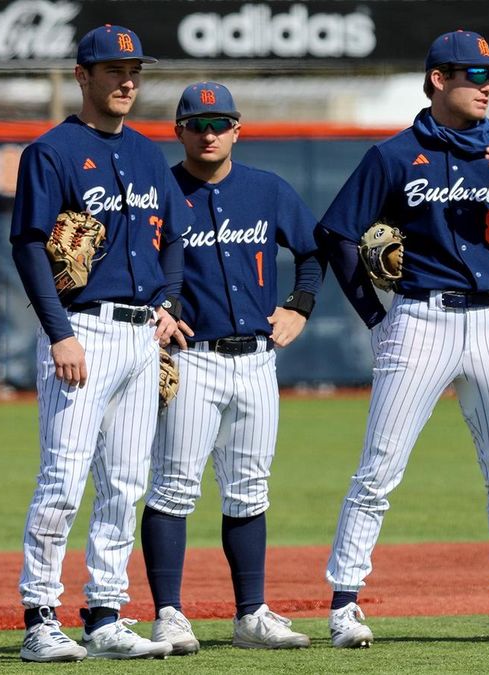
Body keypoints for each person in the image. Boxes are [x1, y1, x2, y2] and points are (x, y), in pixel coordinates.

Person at [315, 30, 489, 648]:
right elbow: (336, 233)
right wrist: (376, 318)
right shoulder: (395, 156)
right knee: (380, 468)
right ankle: (345, 604)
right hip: (419, 319)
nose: (486, 85)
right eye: (472, 74)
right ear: (437, 80)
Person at [9, 24, 188, 662]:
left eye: (134, 69)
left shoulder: (145, 154)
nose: (127, 80)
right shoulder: (51, 152)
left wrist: (167, 304)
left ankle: (106, 613)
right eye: (114, 70)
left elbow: (173, 238)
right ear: (84, 76)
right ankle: (39, 617)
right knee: (63, 476)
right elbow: (29, 244)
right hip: (81, 329)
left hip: (142, 336)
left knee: (125, 481)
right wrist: (59, 332)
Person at [139, 81, 325, 654]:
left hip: (257, 362)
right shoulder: (158, 191)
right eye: (197, 124)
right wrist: (156, 313)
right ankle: (169, 614)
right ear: (179, 132)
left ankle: (251, 616)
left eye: (220, 123)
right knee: (173, 490)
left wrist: (300, 306)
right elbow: (132, 263)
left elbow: (313, 253)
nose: (209, 132)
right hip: (192, 361)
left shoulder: (266, 191)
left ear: (238, 129)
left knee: (249, 491)